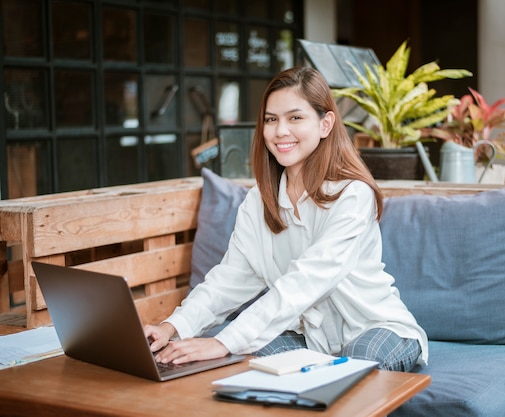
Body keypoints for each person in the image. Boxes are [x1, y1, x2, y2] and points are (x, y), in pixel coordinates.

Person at [144, 66, 428, 371]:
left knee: (352, 369)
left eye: (295, 117)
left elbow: (305, 281)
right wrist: (171, 327)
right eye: (271, 119)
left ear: (325, 124)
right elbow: (229, 279)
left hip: (374, 327)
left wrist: (224, 340)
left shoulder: (352, 194)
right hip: (308, 338)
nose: (280, 131)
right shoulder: (258, 201)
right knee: (235, 365)